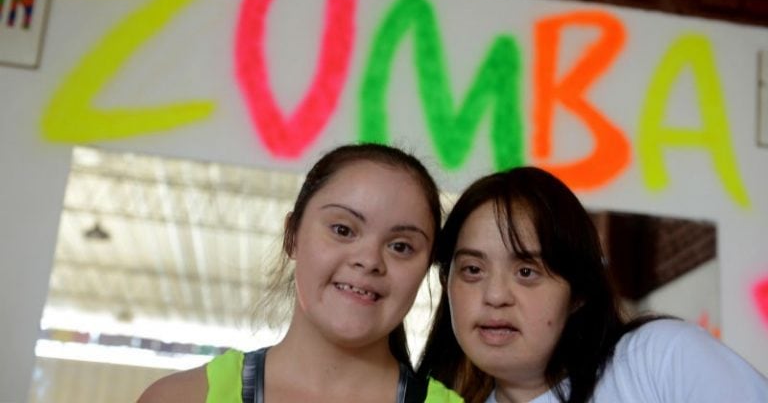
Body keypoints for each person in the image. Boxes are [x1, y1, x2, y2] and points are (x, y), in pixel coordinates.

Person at [139, 143, 463, 403]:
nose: (369, 260)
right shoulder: (179, 397)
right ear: (292, 236)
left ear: (427, 269)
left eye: (401, 247)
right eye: (342, 229)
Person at [418, 166, 768, 403]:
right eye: (473, 270)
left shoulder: (658, 357)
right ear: (446, 282)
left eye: (526, 272)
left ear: (578, 294)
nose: (494, 296)